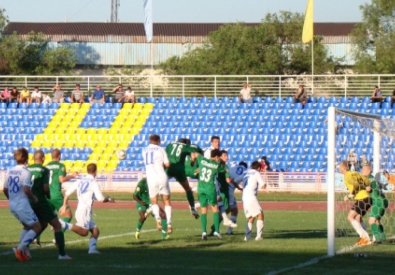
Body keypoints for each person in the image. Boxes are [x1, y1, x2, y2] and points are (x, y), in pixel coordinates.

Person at [59, 163, 114, 254]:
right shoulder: (93, 182)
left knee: (95, 230)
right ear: (95, 171)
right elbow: (100, 198)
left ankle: (92, 249)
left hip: (82, 210)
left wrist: (64, 205)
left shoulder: (79, 181)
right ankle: (63, 224)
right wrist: (108, 199)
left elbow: (67, 193)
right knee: (84, 232)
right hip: (84, 211)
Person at [27, 150, 71, 259]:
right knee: (60, 222)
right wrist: (48, 195)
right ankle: (61, 252)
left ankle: (29, 242)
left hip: (30, 200)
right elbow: (50, 185)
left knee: (42, 223)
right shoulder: (46, 169)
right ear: (43, 158)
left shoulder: (28, 169)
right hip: (47, 198)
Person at [2, 148, 41, 262]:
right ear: (26, 158)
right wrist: (34, 198)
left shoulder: (10, 171)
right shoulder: (26, 171)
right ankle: (19, 248)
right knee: (37, 227)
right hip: (22, 204)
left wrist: (12, 199)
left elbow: (5, 189)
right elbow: (26, 189)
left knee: (27, 226)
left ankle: (23, 252)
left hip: (12, 204)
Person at [34, 149, 78, 247]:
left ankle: (36, 238)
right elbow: (61, 179)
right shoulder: (61, 166)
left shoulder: (46, 167)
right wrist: (72, 176)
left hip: (46, 195)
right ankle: (58, 237)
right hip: (56, 195)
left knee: (44, 220)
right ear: (59, 156)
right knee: (68, 215)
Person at [165, 138, 203, 219]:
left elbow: (164, 155)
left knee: (158, 184)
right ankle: (193, 207)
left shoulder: (170, 144)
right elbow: (197, 153)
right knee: (187, 189)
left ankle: (151, 204)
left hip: (170, 167)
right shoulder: (186, 146)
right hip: (180, 169)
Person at [142, 134, 172, 233]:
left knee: (154, 201)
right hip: (162, 176)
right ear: (158, 141)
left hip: (151, 178)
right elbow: (167, 164)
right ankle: (169, 224)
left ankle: (158, 219)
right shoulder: (161, 149)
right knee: (166, 201)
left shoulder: (144, 150)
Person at [338, 160, 372, 246]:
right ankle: (366, 239)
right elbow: (367, 181)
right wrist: (365, 187)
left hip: (362, 198)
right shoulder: (355, 173)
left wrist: (350, 195)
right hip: (367, 198)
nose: (338, 167)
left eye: (340, 166)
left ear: (343, 167)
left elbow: (356, 185)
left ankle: (364, 237)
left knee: (350, 217)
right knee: (358, 218)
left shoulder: (347, 176)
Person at [196, 149, 224, 240]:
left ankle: (203, 232)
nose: (218, 159)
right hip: (210, 189)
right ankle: (217, 231)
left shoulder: (202, 160)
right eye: (218, 158)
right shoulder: (216, 165)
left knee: (203, 210)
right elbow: (223, 170)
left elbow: (196, 154)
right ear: (216, 157)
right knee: (215, 209)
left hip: (200, 189)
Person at [209, 150, 237, 234]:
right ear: (220, 157)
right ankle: (215, 227)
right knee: (225, 209)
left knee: (221, 209)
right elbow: (228, 180)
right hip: (223, 192)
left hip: (216, 190)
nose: (227, 157)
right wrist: (233, 180)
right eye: (225, 155)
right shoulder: (225, 167)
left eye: (227, 155)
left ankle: (215, 227)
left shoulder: (215, 165)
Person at [361, 164, 388, 243]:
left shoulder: (368, 179)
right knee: (377, 221)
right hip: (383, 200)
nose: (362, 171)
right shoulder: (374, 179)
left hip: (378, 202)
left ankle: (377, 239)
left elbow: (368, 189)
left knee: (371, 221)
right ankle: (383, 239)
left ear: (369, 171)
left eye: (364, 170)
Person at [242, 161, 267, 241]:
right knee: (260, 214)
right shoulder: (256, 173)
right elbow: (263, 185)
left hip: (244, 197)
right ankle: (259, 236)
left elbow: (236, 180)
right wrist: (265, 184)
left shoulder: (246, 173)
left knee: (251, 216)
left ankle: (247, 236)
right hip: (251, 196)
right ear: (259, 168)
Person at [226, 161, 247, 235]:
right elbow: (233, 181)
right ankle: (217, 226)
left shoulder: (233, 167)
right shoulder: (245, 171)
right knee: (230, 210)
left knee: (233, 209)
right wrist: (240, 188)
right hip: (230, 190)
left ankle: (229, 231)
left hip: (223, 188)